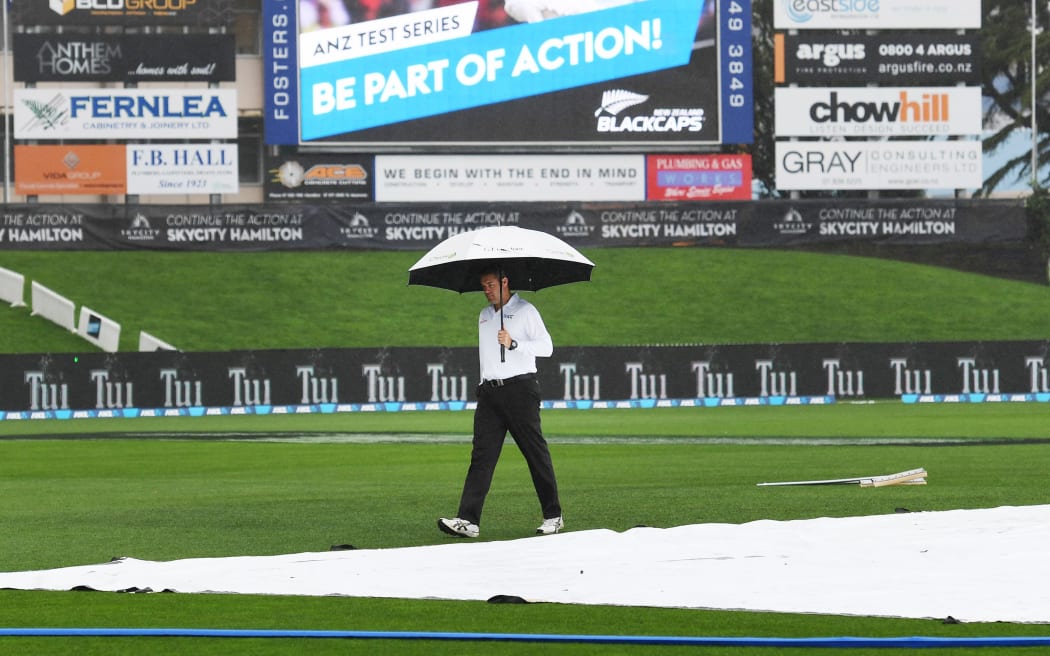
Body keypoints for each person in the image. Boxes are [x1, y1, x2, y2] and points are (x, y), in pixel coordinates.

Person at [438, 266, 563, 538]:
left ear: (505, 281)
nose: (487, 290)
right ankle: (468, 520)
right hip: (489, 394)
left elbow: (547, 347)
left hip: (520, 390)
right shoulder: (483, 316)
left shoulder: (527, 311)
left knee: (534, 453)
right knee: (481, 458)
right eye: (483, 286)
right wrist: (483, 385)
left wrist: (515, 343)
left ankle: (553, 515)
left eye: (491, 284)